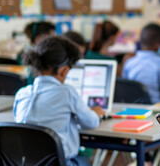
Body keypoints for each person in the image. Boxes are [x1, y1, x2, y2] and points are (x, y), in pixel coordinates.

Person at [13, 36, 105, 166]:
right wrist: (95, 113)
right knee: (83, 161)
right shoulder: (66, 92)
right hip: (60, 163)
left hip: (26, 162)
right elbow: (91, 122)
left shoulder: (22, 93)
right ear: (64, 70)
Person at [122, 23, 160, 104]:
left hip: (132, 106)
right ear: (159, 43)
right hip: (155, 107)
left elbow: (125, 88)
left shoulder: (129, 62)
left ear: (141, 41)